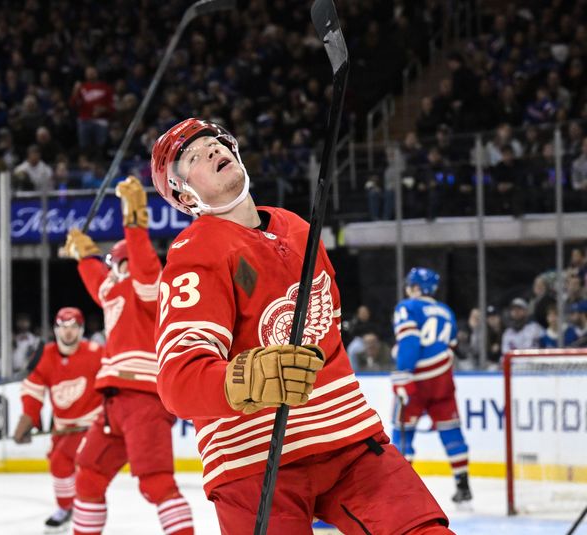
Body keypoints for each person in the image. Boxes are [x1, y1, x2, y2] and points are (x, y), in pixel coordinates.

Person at [150, 118, 452, 534]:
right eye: (194, 157)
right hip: (254, 461)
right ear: (185, 194)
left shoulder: (297, 228)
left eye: (215, 143)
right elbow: (177, 381)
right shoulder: (195, 250)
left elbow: (328, 327)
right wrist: (243, 380)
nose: (213, 151)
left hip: (348, 439)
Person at [61, 176, 195, 535]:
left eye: (114, 265)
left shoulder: (150, 289)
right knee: (88, 477)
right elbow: (98, 280)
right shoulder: (114, 292)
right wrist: (84, 257)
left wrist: (134, 222)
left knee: (156, 484)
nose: (110, 272)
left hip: (145, 399)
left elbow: (144, 265)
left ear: (123, 263)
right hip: (115, 402)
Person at [13, 307, 104, 533]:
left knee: (82, 468)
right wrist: (29, 417)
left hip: (92, 426)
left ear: (81, 329)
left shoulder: (96, 353)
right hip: (63, 427)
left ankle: (81, 508)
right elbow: (33, 388)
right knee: (58, 464)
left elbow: (111, 383)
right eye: (63, 327)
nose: (68, 332)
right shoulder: (46, 354)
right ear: (55, 329)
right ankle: (66, 507)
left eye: (73, 327)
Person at [392, 267, 472, 504]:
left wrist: (403, 373)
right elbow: (453, 346)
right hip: (443, 379)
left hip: (416, 378)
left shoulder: (407, 306)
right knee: (451, 429)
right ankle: (463, 485)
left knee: (403, 432)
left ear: (416, 287)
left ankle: (400, 488)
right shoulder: (446, 311)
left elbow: (409, 342)